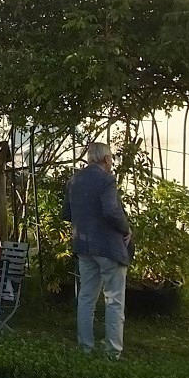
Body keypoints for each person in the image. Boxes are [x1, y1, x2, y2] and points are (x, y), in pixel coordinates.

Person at [63, 142, 132, 359]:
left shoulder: (74, 180)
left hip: (83, 245)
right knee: (114, 300)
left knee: (86, 297)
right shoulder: (106, 179)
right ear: (105, 159)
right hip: (108, 246)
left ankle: (85, 346)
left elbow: (66, 213)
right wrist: (126, 228)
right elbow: (111, 210)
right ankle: (113, 351)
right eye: (111, 158)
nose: (111, 162)